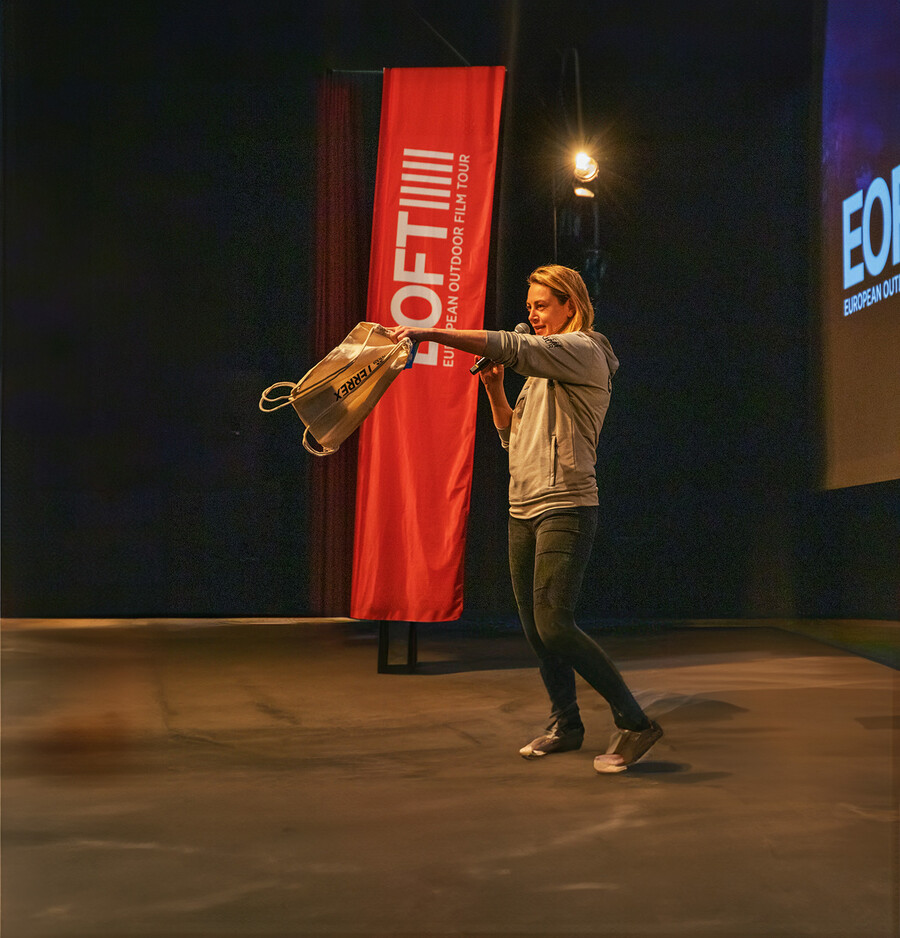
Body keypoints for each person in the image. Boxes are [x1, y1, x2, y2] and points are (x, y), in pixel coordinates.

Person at [387, 264, 662, 774]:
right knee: (537, 630)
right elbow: (512, 438)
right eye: (529, 306)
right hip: (523, 507)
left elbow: (512, 346)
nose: (532, 314)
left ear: (570, 306)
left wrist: (429, 333)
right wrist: (495, 390)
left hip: (566, 503)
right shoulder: (539, 375)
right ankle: (566, 724)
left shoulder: (585, 349)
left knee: (555, 624)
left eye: (541, 305)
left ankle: (636, 722)